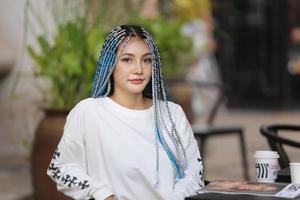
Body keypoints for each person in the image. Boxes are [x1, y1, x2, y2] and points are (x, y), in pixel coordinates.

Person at [47, 24, 204, 200]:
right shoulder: (88, 112)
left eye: (146, 60)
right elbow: (60, 168)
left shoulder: (172, 114)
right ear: (110, 63)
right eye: (127, 59)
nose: (139, 69)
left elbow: (193, 174)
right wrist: (102, 194)